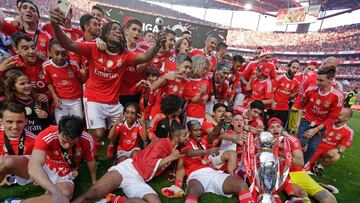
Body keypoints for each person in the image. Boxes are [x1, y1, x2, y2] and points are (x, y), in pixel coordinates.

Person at [50, 7, 167, 154]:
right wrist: (55, 25)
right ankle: (88, 148)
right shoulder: (93, 48)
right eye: (114, 30)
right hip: (93, 99)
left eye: (119, 31)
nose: (118, 32)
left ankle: (114, 148)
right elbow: (69, 44)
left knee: (126, 125)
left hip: (113, 102)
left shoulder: (125, 55)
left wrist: (157, 44)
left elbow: (144, 57)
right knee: (98, 133)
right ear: (105, 33)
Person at [72, 123, 187, 203]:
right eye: (184, 135)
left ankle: (111, 200)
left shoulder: (176, 148)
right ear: (176, 138)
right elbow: (149, 163)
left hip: (139, 179)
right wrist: (171, 157)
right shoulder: (162, 143)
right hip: (129, 168)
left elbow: (182, 159)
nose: (187, 138)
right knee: (92, 194)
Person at [15, 115, 96, 202]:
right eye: (64, 141)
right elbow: (34, 166)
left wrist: (94, 180)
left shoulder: (87, 139)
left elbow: (90, 160)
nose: (67, 146)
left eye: (72, 143)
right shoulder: (47, 134)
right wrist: (54, 190)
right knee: (7, 162)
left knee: (64, 195)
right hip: (45, 166)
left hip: (65, 172)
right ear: (59, 131)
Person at [181, 120, 255, 203]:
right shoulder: (185, 142)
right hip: (196, 175)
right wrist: (206, 152)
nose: (199, 132)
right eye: (195, 130)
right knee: (192, 191)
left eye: (200, 130)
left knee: (241, 185)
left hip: (213, 173)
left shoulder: (203, 139)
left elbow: (214, 133)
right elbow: (189, 152)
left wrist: (222, 121)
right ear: (190, 132)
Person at [267, 117, 337, 203]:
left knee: (328, 200)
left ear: (282, 129)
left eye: (278, 126)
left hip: (294, 172)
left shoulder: (291, 139)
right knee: (301, 193)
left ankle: (319, 186)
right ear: (267, 130)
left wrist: (281, 153)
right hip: (276, 174)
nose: (275, 129)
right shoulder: (265, 140)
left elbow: (300, 162)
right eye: (272, 127)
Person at [294, 66, 344, 164]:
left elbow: (332, 117)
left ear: (330, 80)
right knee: (300, 143)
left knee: (312, 148)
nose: (317, 82)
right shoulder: (311, 90)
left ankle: (302, 165)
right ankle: (293, 163)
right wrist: (298, 122)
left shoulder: (338, 96)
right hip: (307, 119)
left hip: (322, 125)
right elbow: (300, 105)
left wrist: (316, 130)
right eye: (317, 79)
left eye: (321, 80)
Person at [43, 38, 84, 124]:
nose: (60, 57)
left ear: (68, 52)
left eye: (63, 54)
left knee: (77, 124)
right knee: (61, 125)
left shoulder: (73, 65)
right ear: (50, 52)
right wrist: (54, 95)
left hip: (76, 101)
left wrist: (85, 72)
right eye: (57, 53)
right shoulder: (46, 66)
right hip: (60, 101)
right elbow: (49, 82)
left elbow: (81, 80)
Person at [0, 32, 49, 100]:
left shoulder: (45, 63)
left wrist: (48, 95)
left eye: (33, 47)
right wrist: (0, 71)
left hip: (44, 103)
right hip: (19, 104)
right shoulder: (10, 64)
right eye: (25, 48)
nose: (31, 51)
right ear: (16, 50)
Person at [307, 108, 354, 177]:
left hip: (327, 152)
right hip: (314, 147)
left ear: (346, 118)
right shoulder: (326, 123)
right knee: (302, 165)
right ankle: (310, 162)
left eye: (339, 115)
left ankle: (319, 167)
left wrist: (337, 150)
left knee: (336, 156)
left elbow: (343, 147)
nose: (336, 115)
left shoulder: (349, 131)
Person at [0, 103, 36, 186]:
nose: (15, 126)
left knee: (8, 161)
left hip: (24, 173)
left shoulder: (35, 140)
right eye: (9, 122)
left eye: (19, 122)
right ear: (1, 121)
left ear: (26, 121)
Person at [4, 70, 50, 135]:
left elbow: (49, 124)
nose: (27, 86)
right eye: (22, 84)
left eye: (28, 82)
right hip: (20, 140)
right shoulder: (8, 103)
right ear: (13, 86)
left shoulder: (39, 99)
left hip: (40, 139)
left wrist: (46, 116)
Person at [269, 59, 300, 126]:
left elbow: (290, 96)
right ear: (288, 67)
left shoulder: (296, 82)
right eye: (293, 67)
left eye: (297, 68)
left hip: (285, 108)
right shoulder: (280, 78)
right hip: (275, 108)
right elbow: (271, 92)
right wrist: (272, 102)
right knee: (271, 127)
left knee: (281, 128)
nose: (295, 70)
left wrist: (296, 94)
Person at [183, 55, 210, 124]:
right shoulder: (187, 82)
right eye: (204, 68)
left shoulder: (206, 81)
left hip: (201, 113)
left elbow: (204, 100)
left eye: (206, 69)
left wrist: (205, 96)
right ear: (196, 67)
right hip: (190, 114)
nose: (205, 71)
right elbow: (193, 100)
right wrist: (202, 94)